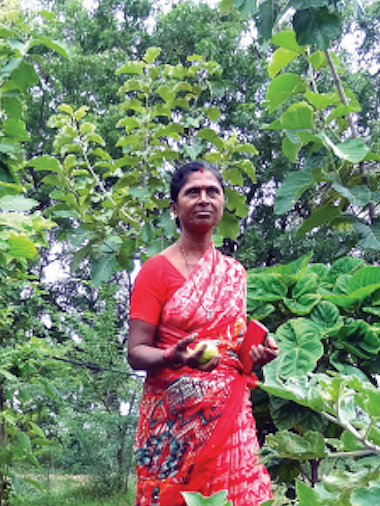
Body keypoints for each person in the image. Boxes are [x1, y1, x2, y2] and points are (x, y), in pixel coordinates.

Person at [127, 161, 279, 506]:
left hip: (230, 415)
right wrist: (172, 356)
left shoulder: (233, 273)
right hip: (173, 423)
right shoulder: (155, 271)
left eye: (213, 191)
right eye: (192, 192)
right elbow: (136, 352)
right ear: (174, 208)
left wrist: (258, 354)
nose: (204, 199)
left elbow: (235, 351)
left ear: (223, 203)